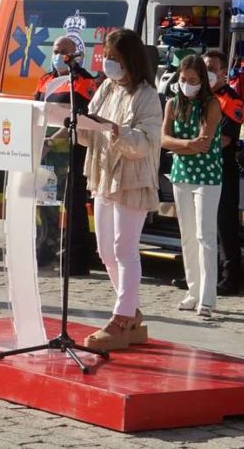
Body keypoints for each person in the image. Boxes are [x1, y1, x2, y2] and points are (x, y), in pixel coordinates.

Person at [78, 28, 162, 351]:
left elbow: (146, 142)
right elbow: (90, 126)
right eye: (107, 58)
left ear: (130, 59)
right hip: (103, 176)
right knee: (104, 250)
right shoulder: (106, 89)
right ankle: (131, 310)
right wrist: (80, 125)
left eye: (115, 59)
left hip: (132, 179)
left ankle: (121, 316)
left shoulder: (147, 96)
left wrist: (116, 131)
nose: (109, 64)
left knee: (124, 248)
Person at [162, 54, 223, 319]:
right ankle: (193, 291)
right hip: (181, 174)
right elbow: (163, 139)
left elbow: (205, 141)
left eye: (193, 80)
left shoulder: (211, 104)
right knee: (187, 235)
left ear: (202, 81)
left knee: (205, 236)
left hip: (207, 176)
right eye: (183, 79)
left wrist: (180, 145)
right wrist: (186, 146)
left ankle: (208, 298)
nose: (187, 84)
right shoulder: (173, 104)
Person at [34, 35, 96, 275]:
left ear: (75, 55)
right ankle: (45, 249)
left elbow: (79, 115)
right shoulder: (45, 80)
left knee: (73, 204)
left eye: (63, 51)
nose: (58, 55)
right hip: (46, 152)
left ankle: (77, 258)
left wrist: (52, 139)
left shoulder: (82, 81)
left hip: (70, 150)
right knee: (45, 202)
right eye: (55, 50)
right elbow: (36, 110)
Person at [203, 49, 244, 295]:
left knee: (224, 225)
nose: (207, 72)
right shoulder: (199, 96)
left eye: (212, 69)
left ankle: (230, 278)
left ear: (223, 72)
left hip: (222, 167)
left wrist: (196, 145)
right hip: (200, 167)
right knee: (203, 226)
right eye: (204, 67)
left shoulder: (230, 100)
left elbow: (226, 139)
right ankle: (201, 277)